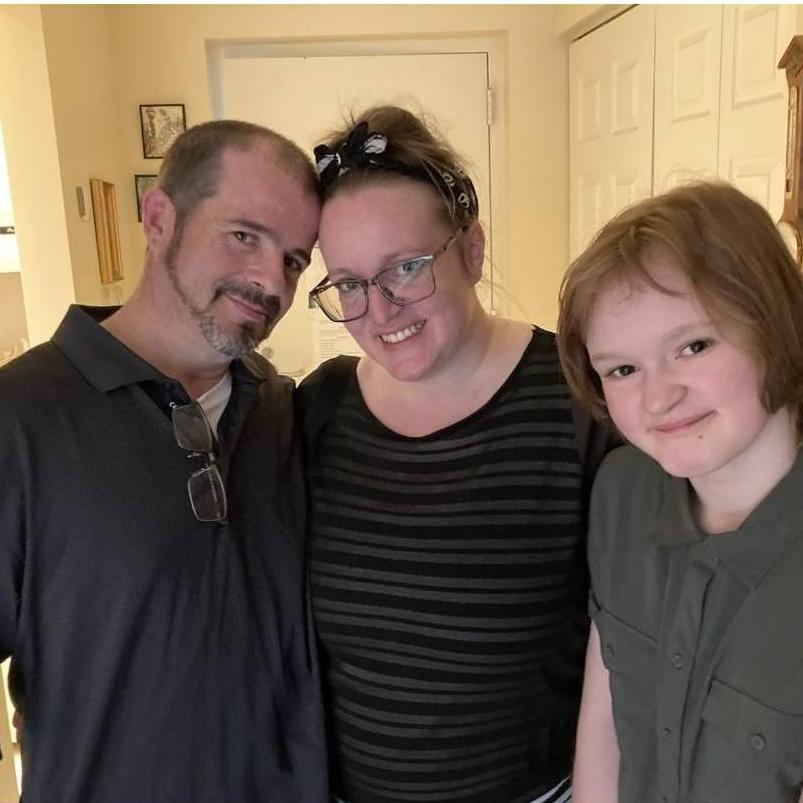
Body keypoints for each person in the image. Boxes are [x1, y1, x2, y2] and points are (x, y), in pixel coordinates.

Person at [0, 120, 327, 802]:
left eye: (294, 259)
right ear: (158, 218)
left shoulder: (284, 412)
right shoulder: (21, 415)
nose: (271, 280)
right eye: (244, 235)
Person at [296, 105, 611, 803]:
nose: (379, 312)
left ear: (470, 249)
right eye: (348, 283)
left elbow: (626, 650)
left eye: (406, 267)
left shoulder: (578, 402)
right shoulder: (319, 410)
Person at [557, 181, 803, 803]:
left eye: (693, 346)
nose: (658, 397)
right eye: (622, 369)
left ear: (774, 321)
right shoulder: (621, 493)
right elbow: (605, 715)